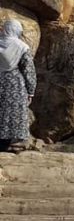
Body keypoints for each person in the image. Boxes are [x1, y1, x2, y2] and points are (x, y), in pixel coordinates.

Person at [0, 19, 35, 153]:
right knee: (12, 114)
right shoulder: (22, 47)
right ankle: (8, 144)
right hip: (14, 85)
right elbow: (28, 70)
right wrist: (30, 90)